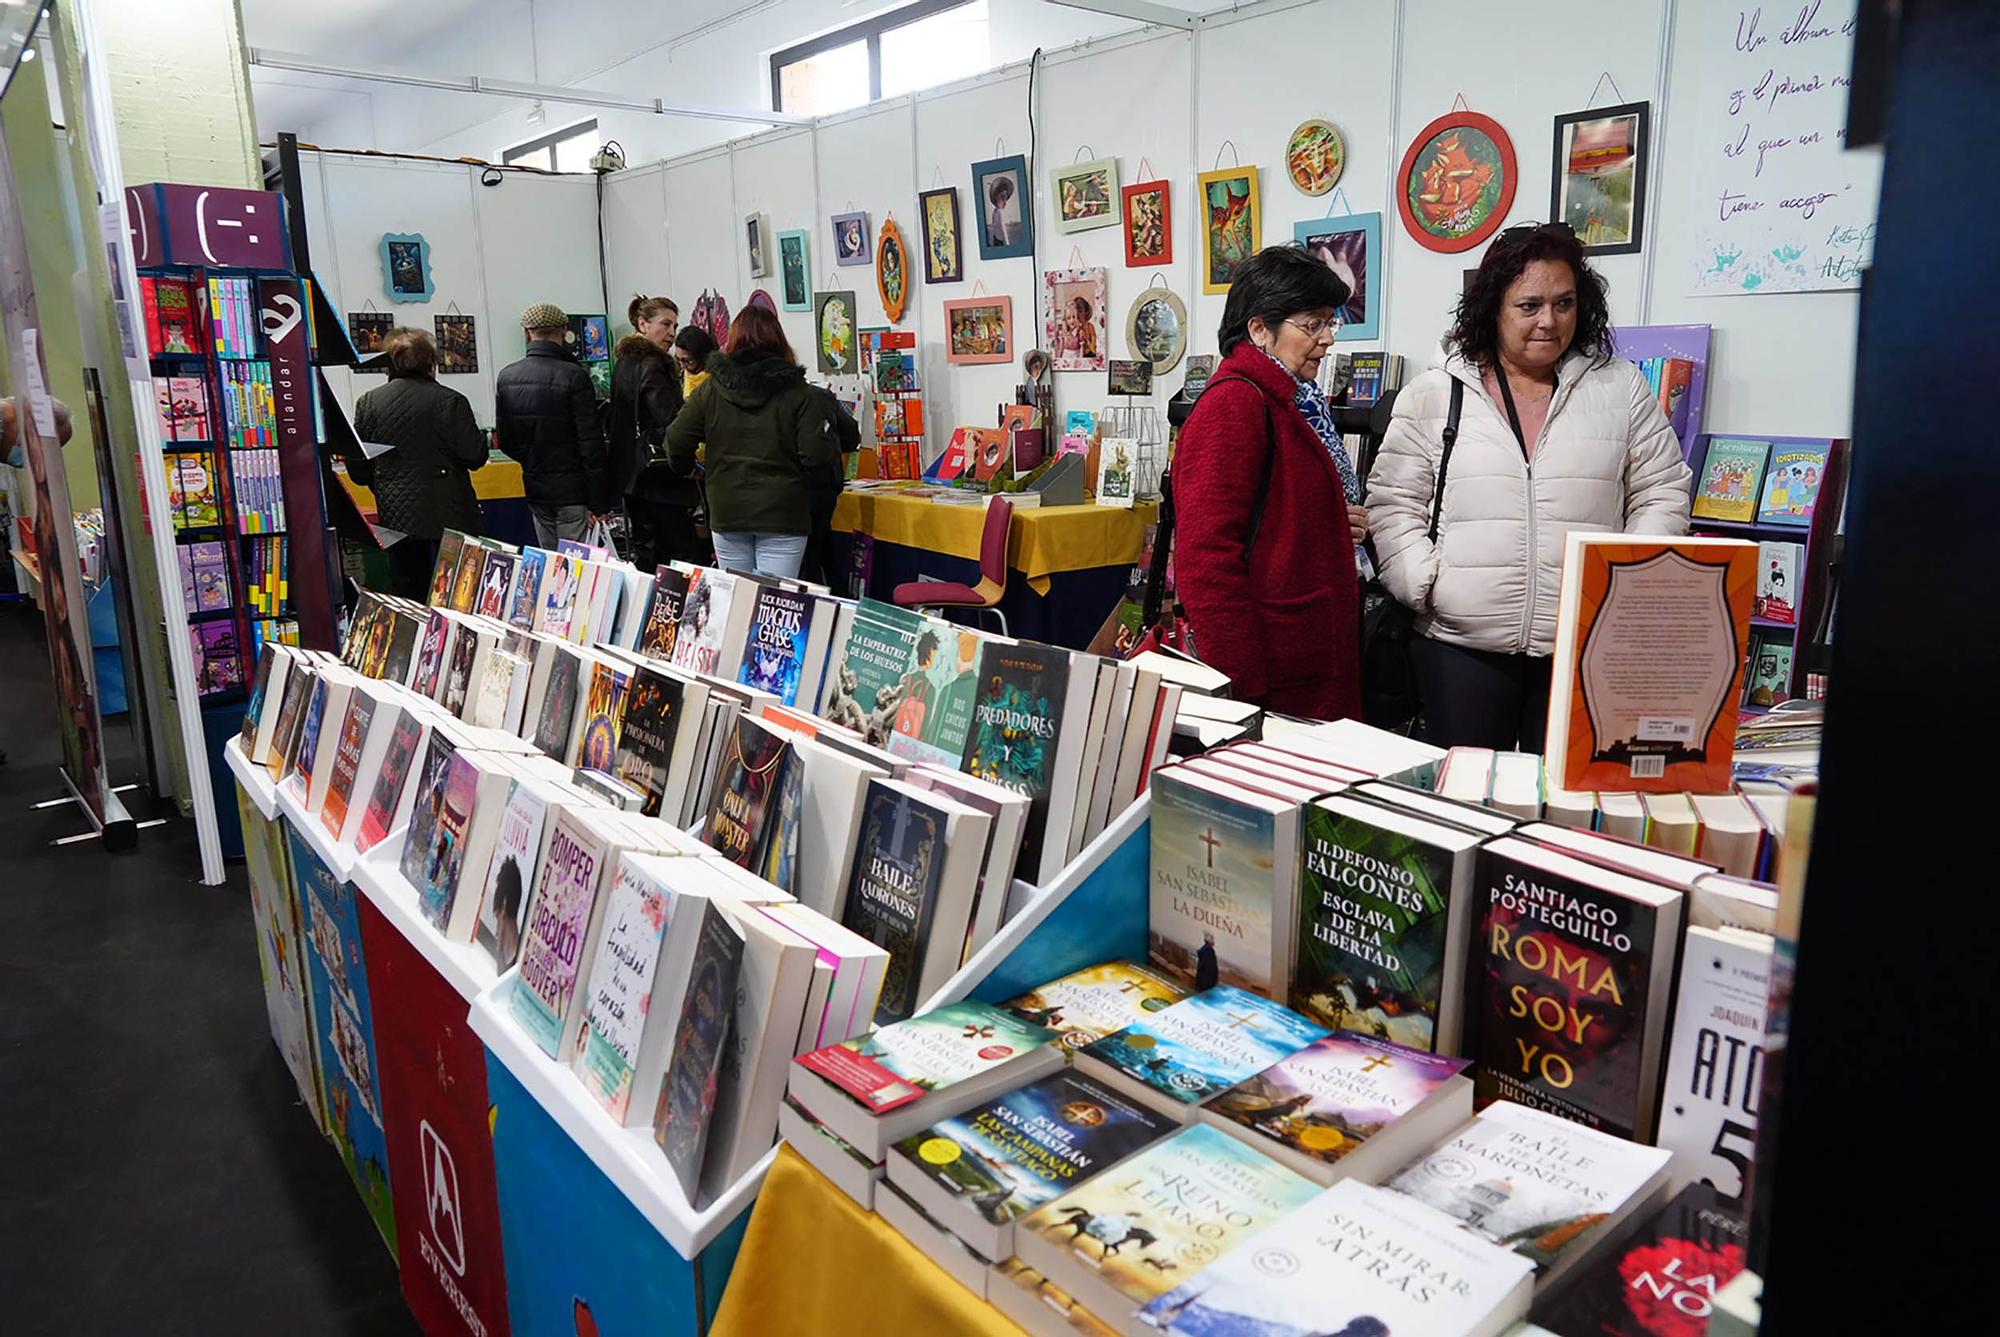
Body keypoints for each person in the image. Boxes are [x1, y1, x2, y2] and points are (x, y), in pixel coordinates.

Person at [1368, 222, 1691, 750]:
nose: (1549, 321)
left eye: (1564, 303)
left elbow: (1662, 491)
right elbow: (1393, 501)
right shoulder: (1435, 392)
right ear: (1493, 307)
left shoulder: (1620, 387)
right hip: (1460, 645)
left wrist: (1623, 582)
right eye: (1529, 305)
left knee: (1566, 804)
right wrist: (1425, 582)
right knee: (1468, 803)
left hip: (1582, 644)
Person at [1173, 245, 1366, 721]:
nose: (1327, 339)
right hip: (1272, 679)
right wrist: (1241, 688)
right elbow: (1206, 560)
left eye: (1330, 323)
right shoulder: (1234, 405)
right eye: (1312, 324)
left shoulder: (1285, 399)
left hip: (1302, 660)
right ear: (1260, 329)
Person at [664, 305, 834, 579]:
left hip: (727, 508)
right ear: (779, 339)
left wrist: (688, 469)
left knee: (734, 600)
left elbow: (675, 440)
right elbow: (816, 455)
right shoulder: (798, 392)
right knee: (773, 604)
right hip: (783, 512)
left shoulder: (710, 390)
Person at [348, 328, 486, 598]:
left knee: (408, 589)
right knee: (457, 591)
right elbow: (475, 456)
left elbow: (359, 468)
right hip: (451, 509)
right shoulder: (451, 400)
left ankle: (411, 638)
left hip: (396, 511)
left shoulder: (368, 403)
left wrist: (386, 482)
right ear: (430, 362)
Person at [494, 302, 609, 547]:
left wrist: (534, 462)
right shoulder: (574, 375)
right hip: (573, 490)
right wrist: (599, 501)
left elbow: (505, 441)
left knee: (548, 563)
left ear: (527, 332)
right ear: (564, 331)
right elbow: (591, 444)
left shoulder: (507, 377)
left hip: (536, 487)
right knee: (574, 568)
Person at [611, 295, 704, 571]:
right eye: (665, 324)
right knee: (682, 558)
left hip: (633, 475)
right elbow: (670, 422)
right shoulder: (654, 364)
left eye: (675, 326)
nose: (672, 333)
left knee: (646, 554)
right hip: (662, 477)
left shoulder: (624, 363)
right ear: (643, 324)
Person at [802, 381, 860, 587]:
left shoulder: (768, 397)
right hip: (824, 485)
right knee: (822, 550)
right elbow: (851, 433)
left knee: (807, 561)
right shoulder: (818, 395)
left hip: (792, 489)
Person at [986, 173, 1017, 248]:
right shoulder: (998, 212)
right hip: (998, 240)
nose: (1005, 202)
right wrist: (1007, 242)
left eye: (1006, 199)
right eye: (1002, 199)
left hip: (998, 239)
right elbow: (1001, 229)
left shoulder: (997, 212)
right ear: (996, 199)